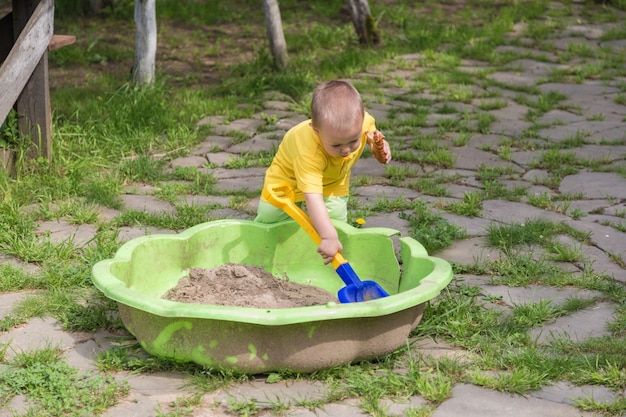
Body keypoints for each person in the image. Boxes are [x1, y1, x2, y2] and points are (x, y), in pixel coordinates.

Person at [255, 79, 391, 265]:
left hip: (332, 180)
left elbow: (372, 133)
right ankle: (260, 255)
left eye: (352, 141)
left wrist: (379, 145)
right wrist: (327, 237)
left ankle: (320, 263)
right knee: (270, 216)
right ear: (317, 131)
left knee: (335, 220)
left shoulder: (362, 122)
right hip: (287, 179)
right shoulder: (309, 152)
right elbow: (313, 197)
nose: (345, 150)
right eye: (336, 144)